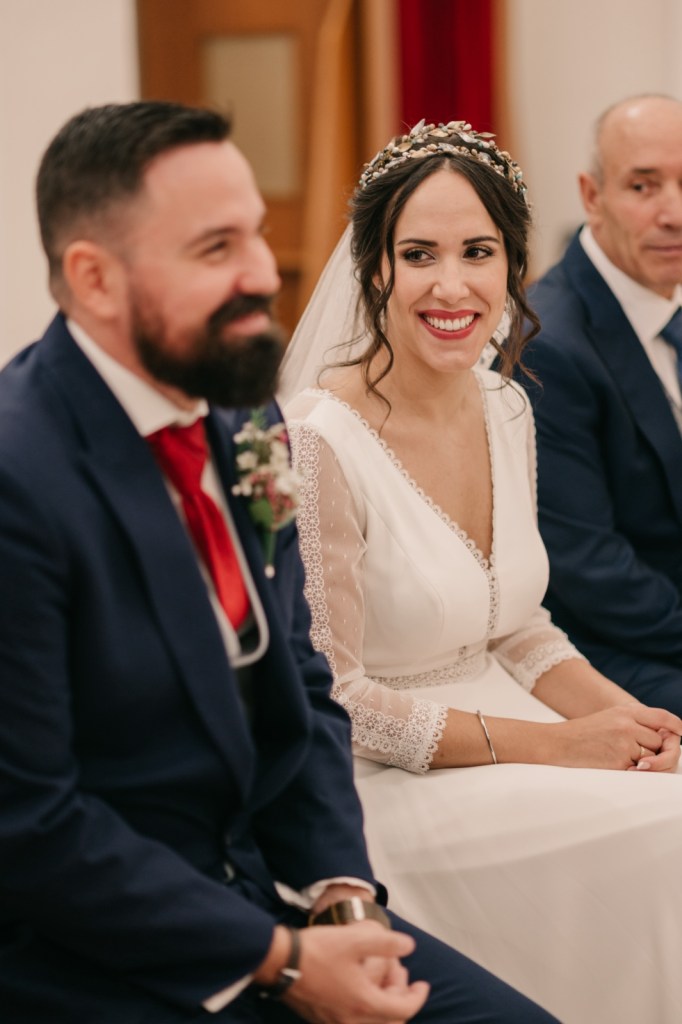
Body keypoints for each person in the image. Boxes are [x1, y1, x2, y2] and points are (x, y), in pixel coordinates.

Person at [0, 102, 558, 1024]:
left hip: (272, 891)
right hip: (99, 955)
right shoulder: (20, 476)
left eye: (256, 233)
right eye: (216, 247)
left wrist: (343, 899)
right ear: (95, 278)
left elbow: (302, 684)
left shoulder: (245, 419)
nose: (264, 272)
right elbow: (29, 826)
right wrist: (283, 961)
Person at [280, 118, 682, 1024]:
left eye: (478, 252)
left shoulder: (506, 404)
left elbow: (520, 628)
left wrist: (627, 720)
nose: (452, 285)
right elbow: (339, 700)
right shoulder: (318, 440)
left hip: (521, 729)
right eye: (418, 254)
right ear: (374, 268)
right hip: (396, 785)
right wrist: (562, 745)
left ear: (511, 264)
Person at [514, 94, 682, 715]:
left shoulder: (663, 296)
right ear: (593, 196)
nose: (674, 213)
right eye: (643, 186)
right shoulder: (550, 345)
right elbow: (589, 569)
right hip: (609, 648)